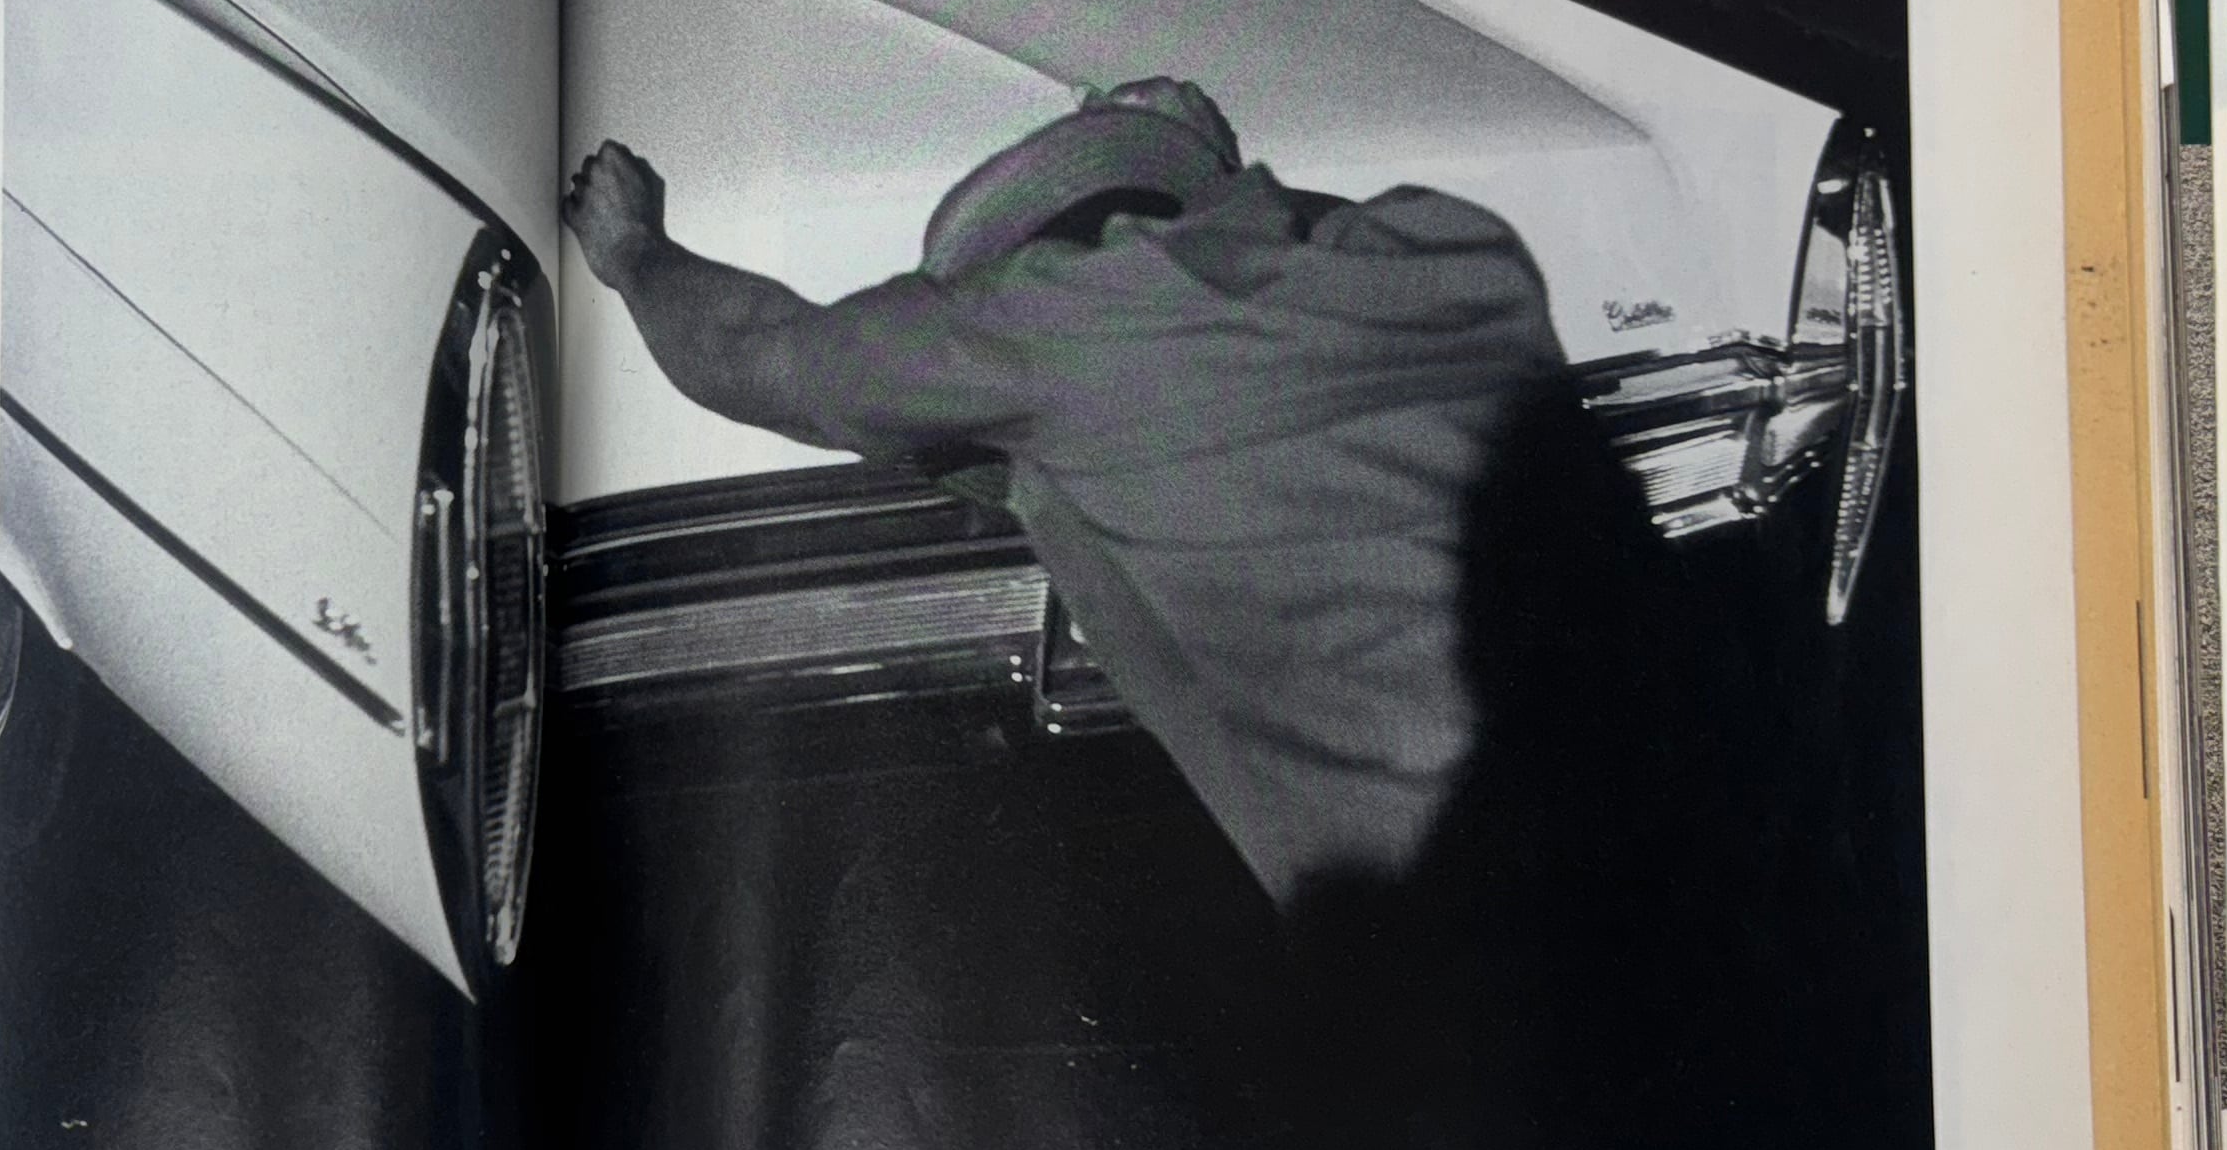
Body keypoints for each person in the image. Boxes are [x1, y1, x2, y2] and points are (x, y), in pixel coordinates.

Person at [561, 78, 1588, 911]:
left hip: (1476, 935)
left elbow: (756, 351)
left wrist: (632, 251)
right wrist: (1197, 164)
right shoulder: (1460, 250)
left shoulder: (1058, 329)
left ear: (1036, 260)